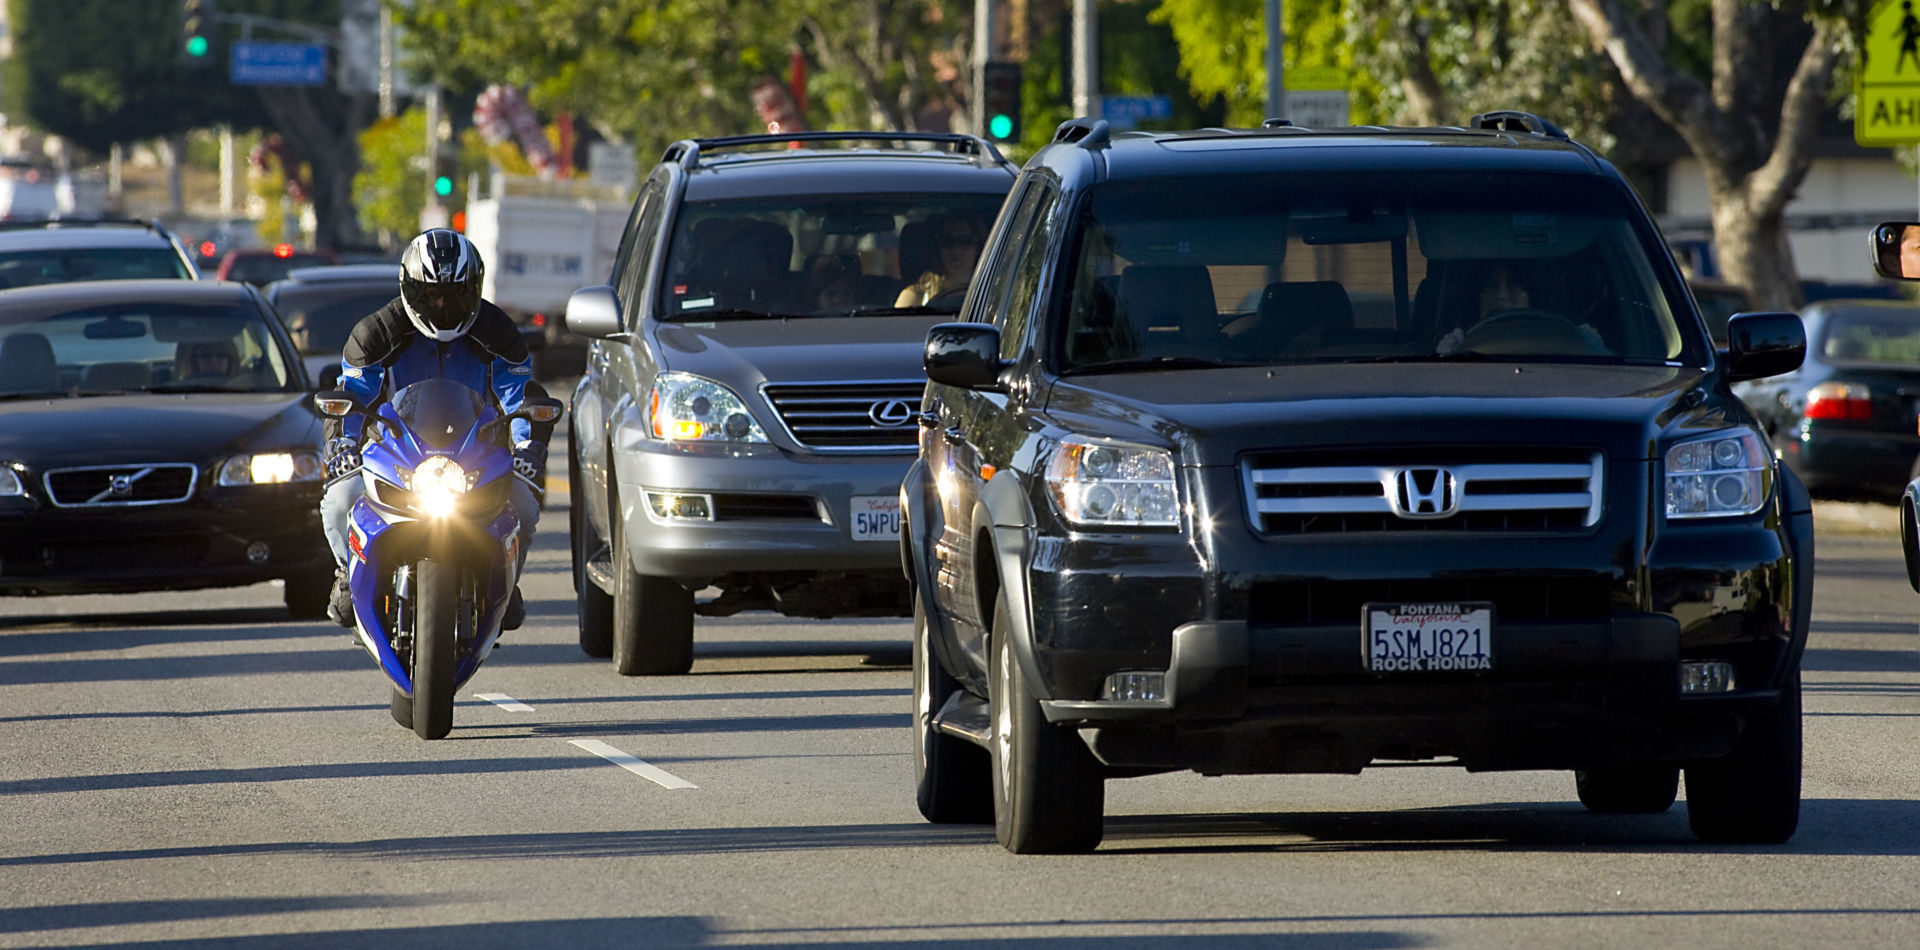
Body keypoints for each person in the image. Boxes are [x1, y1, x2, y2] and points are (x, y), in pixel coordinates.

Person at [320, 228, 547, 629]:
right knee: (340, 501)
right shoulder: (374, 335)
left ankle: (505, 586)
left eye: (455, 294)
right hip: (393, 455)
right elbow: (350, 397)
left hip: (474, 455)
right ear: (409, 289)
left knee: (524, 508)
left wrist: (529, 450)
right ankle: (345, 572)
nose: (442, 304)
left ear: (474, 290)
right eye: (431, 295)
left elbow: (519, 398)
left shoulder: (499, 333)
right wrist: (342, 446)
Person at [894, 214, 983, 307]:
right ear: (937, 247)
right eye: (947, 241)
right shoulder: (915, 297)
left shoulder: (992, 295)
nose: (956, 250)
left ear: (977, 247)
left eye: (965, 241)